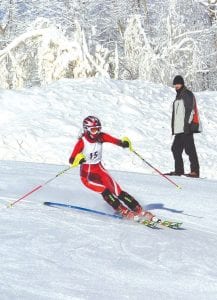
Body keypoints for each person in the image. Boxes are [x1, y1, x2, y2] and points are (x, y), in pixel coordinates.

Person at [69, 115, 159, 222]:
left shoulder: (101, 137)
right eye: (93, 130)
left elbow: (115, 141)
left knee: (118, 191)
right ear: (86, 130)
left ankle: (140, 211)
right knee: (105, 191)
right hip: (88, 176)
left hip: (100, 170)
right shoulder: (82, 142)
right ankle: (123, 210)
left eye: (98, 129)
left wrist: (123, 143)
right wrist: (78, 160)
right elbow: (71, 159)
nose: (96, 132)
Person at [167, 75, 201, 178]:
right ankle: (179, 170)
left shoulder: (187, 94)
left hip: (187, 128)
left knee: (190, 149)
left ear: (182, 84)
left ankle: (195, 171)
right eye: (175, 84)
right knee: (175, 148)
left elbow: (191, 110)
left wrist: (187, 125)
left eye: (177, 84)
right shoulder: (179, 96)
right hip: (180, 129)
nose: (176, 86)